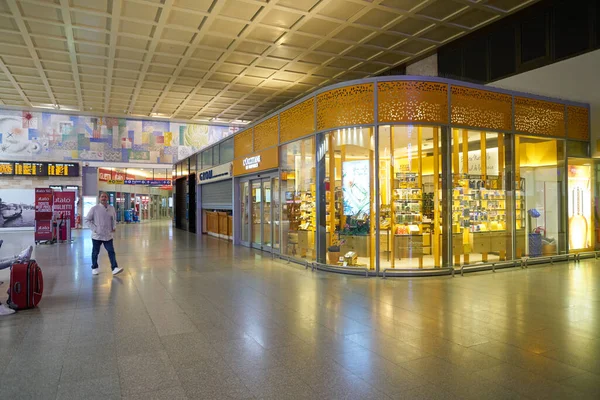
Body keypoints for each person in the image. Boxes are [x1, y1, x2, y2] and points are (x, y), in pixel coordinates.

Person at [85, 192, 123, 276]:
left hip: (108, 235)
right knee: (95, 252)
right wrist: (95, 229)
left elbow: (113, 219)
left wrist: (114, 227)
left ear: (108, 198)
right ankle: (94, 267)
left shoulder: (111, 208)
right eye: (102, 197)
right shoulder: (94, 208)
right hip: (97, 235)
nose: (104, 198)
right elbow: (87, 220)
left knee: (111, 251)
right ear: (99, 198)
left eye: (105, 197)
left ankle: (114, 268)